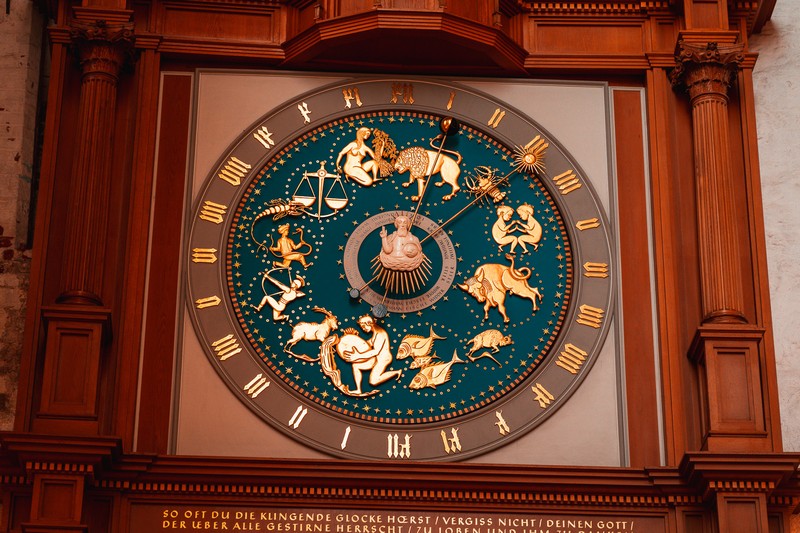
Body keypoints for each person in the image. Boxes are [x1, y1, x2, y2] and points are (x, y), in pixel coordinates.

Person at [342, 315, 402, 394]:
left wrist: (358, 356)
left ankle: (396, 372)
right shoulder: (375, 333)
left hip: (383, 359)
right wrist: (353, 337)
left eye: (363, 326)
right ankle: (358, 389)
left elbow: (375, 351)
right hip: (376, 359)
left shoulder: (380, 334)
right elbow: (367, 344)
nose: (363, 329)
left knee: (373, 381)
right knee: (355, 365)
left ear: (369, 323)